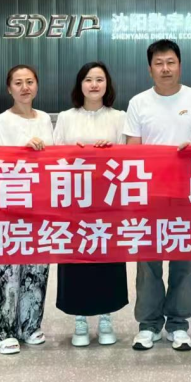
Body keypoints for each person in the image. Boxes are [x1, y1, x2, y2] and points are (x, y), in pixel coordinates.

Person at [124, 39, 191, 352]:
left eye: (171, 62)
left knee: (184, 262)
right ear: (150, 69)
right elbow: (132, 149)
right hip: (150, 196)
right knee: (148, 263)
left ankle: (178, 324)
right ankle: (148, 325)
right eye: (159, 63)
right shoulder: (139, 102)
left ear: (180, 65)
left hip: (187, 195)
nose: (165, 68)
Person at [53, 62, 129, 347]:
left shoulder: (119, 117)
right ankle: (80, 319)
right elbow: (53, 157)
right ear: (80, 85)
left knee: (107, 258)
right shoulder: (65, 117)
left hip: (108, 200)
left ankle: (106, 317)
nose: (94, 85)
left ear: (107, 84)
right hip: (74, 201)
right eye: (88, 79)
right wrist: (72, 153)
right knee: (77, 260)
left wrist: (111, 152)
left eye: (99, 79)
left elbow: (131, 156)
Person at [0, 64, 55, 355]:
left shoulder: (46, 119)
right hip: (9, 205)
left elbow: (55, 160)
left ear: (36, 85)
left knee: (36, 269)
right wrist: (23, 152)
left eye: (29, 82)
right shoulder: (2, 121)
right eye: (18, 83)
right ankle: (1, 331)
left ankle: (30, 326)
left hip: (40, 204)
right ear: (9, 88)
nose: (24, 87)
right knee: (6, 270)